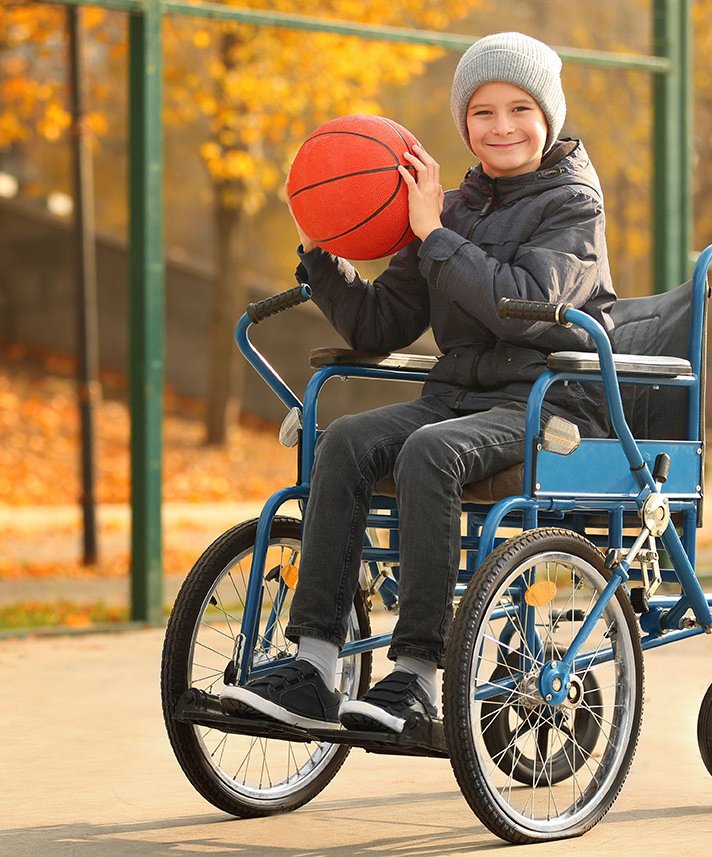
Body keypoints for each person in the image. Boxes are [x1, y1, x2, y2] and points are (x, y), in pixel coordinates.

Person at [220, 31, 616, 735]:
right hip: (457, 397)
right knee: (345, 437)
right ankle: (315, 666)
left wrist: (432, 234)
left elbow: (521, 305)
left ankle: (418, 675)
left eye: (519, 109)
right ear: (464, 122)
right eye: (483, 112)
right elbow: (379, 323)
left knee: (430, 450)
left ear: (547, 116)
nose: (501, 127)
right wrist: (319, 248)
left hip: (544, 401)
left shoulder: (574, 205)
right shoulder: (454, 206)